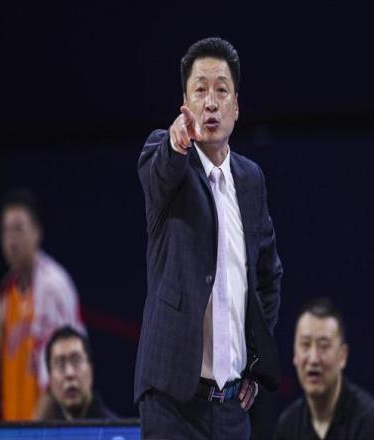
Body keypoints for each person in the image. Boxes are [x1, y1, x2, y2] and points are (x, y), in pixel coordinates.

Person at [135, 37, 283, 439]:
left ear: (237, 107)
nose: (211, 103)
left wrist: (254, 362)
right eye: (200, 90)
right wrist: (175, 143)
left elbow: (268, 277)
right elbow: (158, 174)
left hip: (232, 408)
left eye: (222, 90)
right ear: (184, 103)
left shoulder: (250, 180)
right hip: (172, 404)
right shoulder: (167, 160)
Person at [0, 188, 85, 420]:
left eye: (18, 229)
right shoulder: (5, 295)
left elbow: (58, 379)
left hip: (48, 430)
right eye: (6, 230)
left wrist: (32, 432)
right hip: (16, 427)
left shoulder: (52, 287)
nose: (11, 240)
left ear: (36, 232)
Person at [274, 298, 374, 440]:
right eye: (305, 344)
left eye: (324, 346)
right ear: (294, 354)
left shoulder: (368, 421)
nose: (314, 359)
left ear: (343, 355)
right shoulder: (288, 424)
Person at [39, 326, 115, 420]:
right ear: (50, 379)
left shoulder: (115, 428)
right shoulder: (42, 428)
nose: (69, 373)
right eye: (60, 364)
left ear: (90, 370)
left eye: (76, 361)